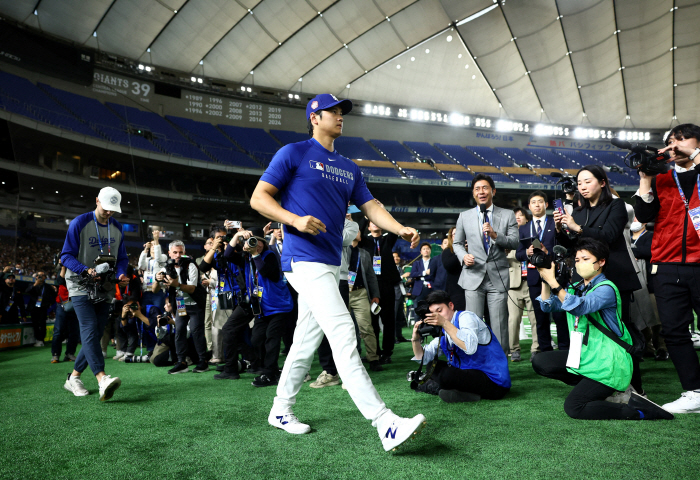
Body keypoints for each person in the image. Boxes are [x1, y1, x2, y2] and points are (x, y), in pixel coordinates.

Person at [250, 93, 425, 452]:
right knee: (344, 330)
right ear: (314, 117)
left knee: (304, 341)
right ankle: (384, 422)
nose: (339, 115)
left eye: (341, 111)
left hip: (333, 265)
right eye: (332, 110)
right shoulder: (294, 153)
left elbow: (371, 205)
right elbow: (259, 198)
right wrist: (294, 219)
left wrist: (397, 228)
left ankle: (281, 410)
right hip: (303, 259)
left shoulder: (348, 166)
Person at [532, 238, 673, 421]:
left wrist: (554, 283)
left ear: (601, 262)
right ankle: (603, 389)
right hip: (587, 354)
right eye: (576, 260)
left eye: (585, 259)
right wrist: (545, 280)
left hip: (608, 360)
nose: (579, 263)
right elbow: (547, 306)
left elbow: (578, 307)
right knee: (541, 361)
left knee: (574, 407)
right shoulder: (578, 288)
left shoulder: (605, 288)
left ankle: (636, 410)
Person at [555, 165, 643, 397]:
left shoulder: (617, 205)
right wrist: (562, 229)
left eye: (587, 181)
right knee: (581, 331)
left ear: (602, 182)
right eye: (579, 183)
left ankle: (635, 387)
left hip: (613, 275)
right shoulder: (578, 209)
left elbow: (610, 237)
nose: (582, 187)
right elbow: (573, 244)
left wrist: (578, 228)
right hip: (584, 277)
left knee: (619, 333)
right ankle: (594, 382)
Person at [634, 123, 700, 413]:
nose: (674, 145)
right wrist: (646, 177)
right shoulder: (663, 179)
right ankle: (694, 391)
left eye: (682, 139)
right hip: (668, 265)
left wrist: (695, 155)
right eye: (671, 141)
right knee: (674, 331)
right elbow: (644, 214)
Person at [60, 186, 127, 401]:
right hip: (79, 283)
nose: (109, 213)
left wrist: (123, 272)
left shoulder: (116, 226)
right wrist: (85, 270)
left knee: (96, 333)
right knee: (89, 328)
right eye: (106, 208)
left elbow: (123, 258)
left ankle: (74, 377)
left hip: (104, 285)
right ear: (96, 201)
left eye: (113, 210)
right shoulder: (79, 223)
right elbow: (66, 256)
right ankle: (101, 378)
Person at [453, 173, 519, 354]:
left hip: (497, 278)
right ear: (473, 194)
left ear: (493, 191)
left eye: (485, 188)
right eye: (477, 189)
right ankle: (475, 366)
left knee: (499, 325)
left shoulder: (507, 215)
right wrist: (463, 256)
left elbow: (514, 242)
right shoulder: (464, 216)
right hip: (473, 275)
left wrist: (495, 235)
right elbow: (457, 244)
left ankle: (500, 366)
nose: (481, 192)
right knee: (472, 324)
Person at [410, 290, 510, 402]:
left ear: (451, 306)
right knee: (432, 366)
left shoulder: (466, 317)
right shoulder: (444, 329)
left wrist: (444, 323)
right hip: (469, 376)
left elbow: (469, 347)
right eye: (433, 313)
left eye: (440, 311)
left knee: (447, 375)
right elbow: (423, 358)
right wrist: (415, 339)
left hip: (494, 382)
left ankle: (438, 388)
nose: (437, 316)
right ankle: (464, 395)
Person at [515, 191, 567, 356]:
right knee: (540, 317)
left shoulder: (555, 224)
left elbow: (565, 248)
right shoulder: (523, 228)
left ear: (546, 205)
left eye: (540, 202)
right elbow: (518, 254)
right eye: (534, 202)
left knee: (560, 315)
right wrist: (528, 253)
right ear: (529, 207)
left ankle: (565, 349)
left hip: (555, 275)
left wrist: (547, 252)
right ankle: (545, 351)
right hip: (534, 277)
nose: (537, 205)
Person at [153, 240, 208, 374]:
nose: (178, 255)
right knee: (180, 332)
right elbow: (154, 290)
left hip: (195, 303)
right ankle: (181, 362)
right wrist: (156, 278)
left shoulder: (191, 265)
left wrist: (175, 284)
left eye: (181, 252)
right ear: (169, 253)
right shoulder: (166, 268)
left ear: (184, 253)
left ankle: (203, 361)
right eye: (175, 252)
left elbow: (192, 289)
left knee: (196, 332)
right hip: (180, 305)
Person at [359, 215, 402, 364]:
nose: (375, 223)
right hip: (371, 287)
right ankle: (374, 352)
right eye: (372, 222)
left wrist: (382, 212)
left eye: (377, 221)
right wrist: (366, 217)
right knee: (372, 321)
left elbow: (395, 229)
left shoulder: (386, 240)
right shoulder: (365, 241)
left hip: (387, 285)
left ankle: (387, 352)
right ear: (369, 227)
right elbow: (358, 231)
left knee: (388, 320)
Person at [629, 219, 667, 360]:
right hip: (634, 284)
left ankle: (661, 347)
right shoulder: (626, 236)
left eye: (636, 219)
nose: (633, 221)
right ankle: (647, 347)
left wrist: (632, 251)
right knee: (639, 318)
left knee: (656, 318)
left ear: (644, 222)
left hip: (650, 284)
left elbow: (650, 250)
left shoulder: (650, 235)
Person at [508, 207, 538, 362]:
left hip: (532, 281)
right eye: (515, 216)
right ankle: (514, 349)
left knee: (535, 318)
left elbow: (540, 251)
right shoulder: (508, 235)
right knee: (513, 319)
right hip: (513, 284)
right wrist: (524, 252)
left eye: (521, 216)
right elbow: (505, 255)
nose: (518, 218)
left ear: (527, 219)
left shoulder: (534, 233)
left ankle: (535, 349)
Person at [51, 265, 80, 363]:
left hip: (75, 305)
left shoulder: (78, 270)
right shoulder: (62, 271)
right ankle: (55, 354)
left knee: (74, 332)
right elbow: (60, 281)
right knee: (58, 331)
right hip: (62, 305)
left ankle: (70, 354)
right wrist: (63, 267)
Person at [26, 271, 56, 347]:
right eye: (38, 275)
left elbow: (54, 296)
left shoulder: (48, 286)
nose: (40, 277)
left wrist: (49, 303)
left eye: (42, 275)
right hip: (34, 308)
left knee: (42, 324)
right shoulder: (32, 285)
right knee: (35, 323)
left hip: (43, 307)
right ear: (36, 277)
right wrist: (35, 284)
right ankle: (37, 339)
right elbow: (27, 291)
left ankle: (41, 340)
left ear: (45, 277)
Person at [440, 227, 466, 311]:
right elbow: (448, 265)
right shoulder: (448, 251)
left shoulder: (471, 249)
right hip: (456, 290)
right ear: (451, 237)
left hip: (471, 287)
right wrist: (460, 252)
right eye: (455, 234)